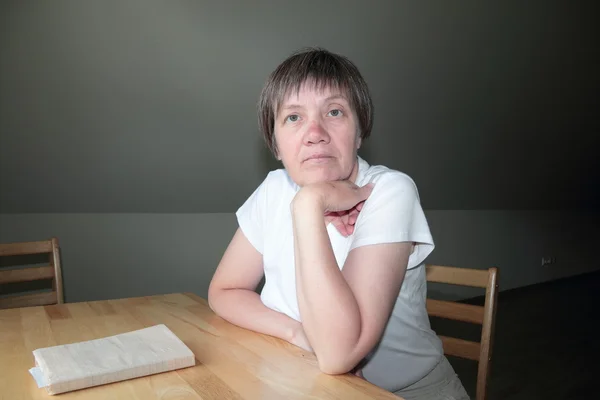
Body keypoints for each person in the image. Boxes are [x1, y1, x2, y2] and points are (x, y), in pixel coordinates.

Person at [207, 47, 469, 400]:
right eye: (293, 118)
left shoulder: (390, 191)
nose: (315, 133)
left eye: (334, 111)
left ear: (360, 133)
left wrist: (308, 204)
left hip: (406, 392)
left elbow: (338, 353)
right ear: (276, 145)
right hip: (300, 379)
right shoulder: (273, 188)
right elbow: (224, 291)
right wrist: (297, 333)